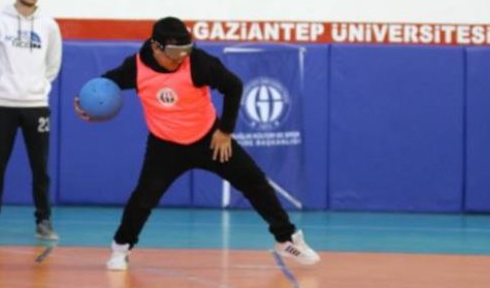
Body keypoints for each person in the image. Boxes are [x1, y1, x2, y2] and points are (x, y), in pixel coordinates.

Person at [75, 17, 320, 270]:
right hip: (165, 146)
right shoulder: (136, 68)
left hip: (210, 140)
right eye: (173, 54)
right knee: (144, 198)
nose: (179, 59)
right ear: (156, 47)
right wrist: (86, 104)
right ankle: (120, 248)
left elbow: (233, 86)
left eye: (184, 52)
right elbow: (106, 85)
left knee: (254, 182)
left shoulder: (198, 63)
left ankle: (285, 239)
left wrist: (224, 130)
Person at [0, 0, 63, 241]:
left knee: (40, 167)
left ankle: (44, 220)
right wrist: (6, 86)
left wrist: (38, 88)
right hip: (4, 104)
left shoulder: (49, 25)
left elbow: (53, 65)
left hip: (36, 105)